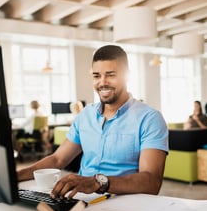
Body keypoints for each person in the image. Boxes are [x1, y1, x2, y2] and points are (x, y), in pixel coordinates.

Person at [17, 45, 169, 199]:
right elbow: (58, 159)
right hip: (81, 200)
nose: (102, 82)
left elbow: (152, 182)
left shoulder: (150, 119)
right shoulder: (85, 115)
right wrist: (15, 175)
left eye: (110, 75)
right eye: (97, 76)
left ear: (127, 76)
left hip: (125, 202)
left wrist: (98, 182)